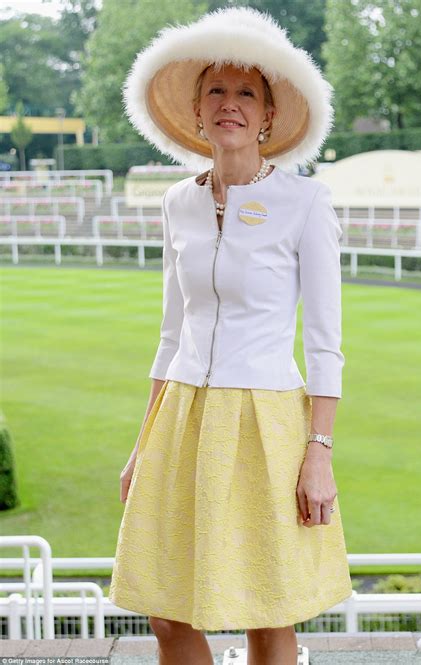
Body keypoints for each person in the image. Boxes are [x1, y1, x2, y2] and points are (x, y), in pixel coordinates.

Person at [109, 6, 352, 664]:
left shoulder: (306, 203)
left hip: (265, 418)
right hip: (182, 416)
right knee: (166, 611)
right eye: (216, 89)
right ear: (196, 109)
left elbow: (326, 343)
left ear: (270, 115)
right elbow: (171, 332)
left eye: (247, 92)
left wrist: (319, 452)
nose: (230, 104)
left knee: (266, 611)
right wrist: (142, 445)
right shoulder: (177, 203)